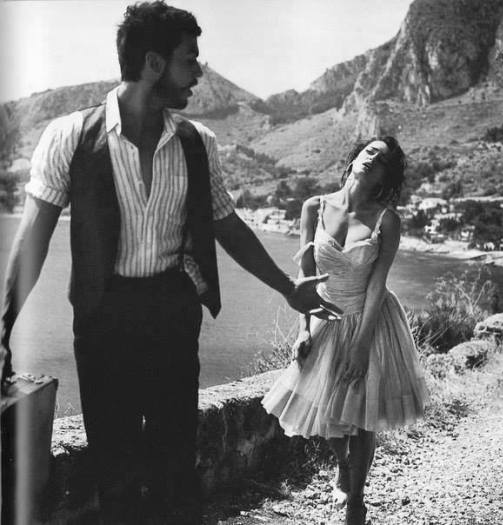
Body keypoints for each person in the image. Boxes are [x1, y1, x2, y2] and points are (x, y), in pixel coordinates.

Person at [0, 3, 342, 524]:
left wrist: (287, 287)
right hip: (102, 321)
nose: (199, 72)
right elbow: (33, 239)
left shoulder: (198, 142)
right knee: (113, 467)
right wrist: (4, 327)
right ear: (154, 64)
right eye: (190, 59)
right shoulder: (69, 136)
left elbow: (227, 225)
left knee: (175, 466)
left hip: (172, 316)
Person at [262, 137, 428, 525]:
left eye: (381, 160)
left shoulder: (387, 220)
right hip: (325, 317)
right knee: (327, 411)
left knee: (363, 417)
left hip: (370, 319)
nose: (372, 159)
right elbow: (305, 274)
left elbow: (377, 284)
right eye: (369, 152)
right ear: (353, 159)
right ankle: (343, 464)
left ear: (386, 177)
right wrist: (303, 330)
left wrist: (362, 344)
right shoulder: (314, 207)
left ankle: (357, 500)